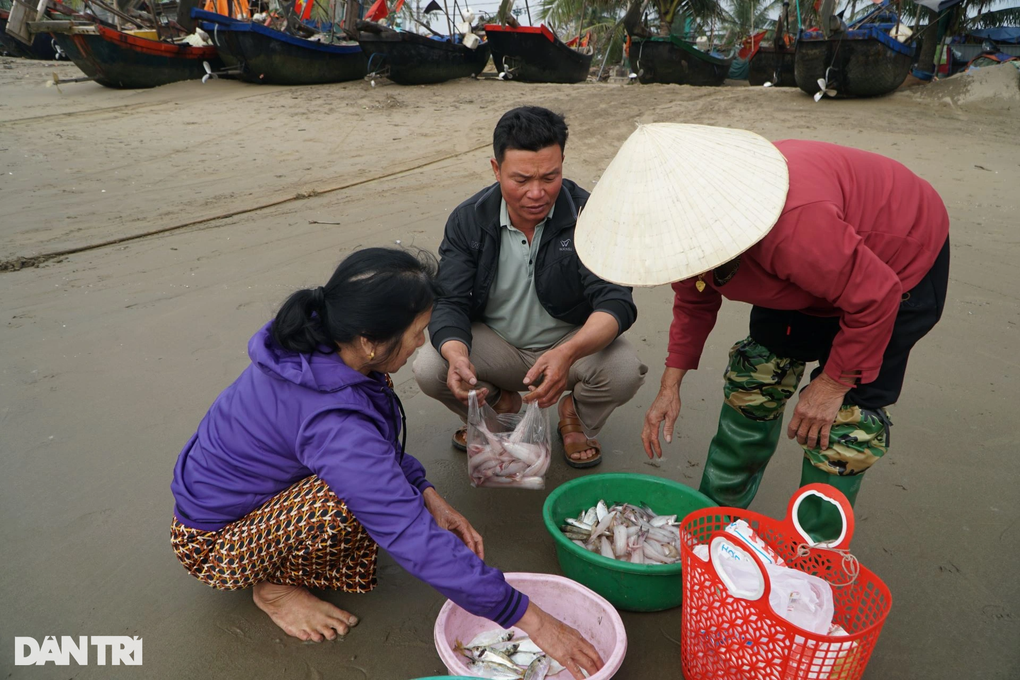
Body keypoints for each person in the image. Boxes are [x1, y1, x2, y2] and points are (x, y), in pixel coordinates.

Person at [169, 248, 603, 679]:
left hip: (250, 497)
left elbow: (374, 447)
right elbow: (407, 532)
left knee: (380, 491)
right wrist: (535, 621)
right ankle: (273, 588)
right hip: (215, 543)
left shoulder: (321, 344)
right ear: (370, 341)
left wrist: (427, 492)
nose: (420, 344)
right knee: (351, 503)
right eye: (417, 333)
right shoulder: (332, 420)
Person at [574, 124, 949, 542]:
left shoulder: (795, 226)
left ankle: (813, 559)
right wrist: (671, 382)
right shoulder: (686, 231)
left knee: (844, 425)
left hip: (898, 268)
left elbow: (877, 296)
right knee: (754, 379)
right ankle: (714, 523)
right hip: (809, 277)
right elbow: (696, 293)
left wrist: (832, 384)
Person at [413, 106, 647, 468]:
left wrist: (568, 353)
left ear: (563, 164)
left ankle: (575, 416)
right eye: (521, 180)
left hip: (570, 345)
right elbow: (450, 303)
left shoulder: (590, 213)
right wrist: (458, 356)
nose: (537, 193)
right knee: (432, 365)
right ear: (496, 169)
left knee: (623, 370)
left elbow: (616, 302)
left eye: (550, 177)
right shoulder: (468, 219)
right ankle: (498, 407)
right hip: (496, 344)